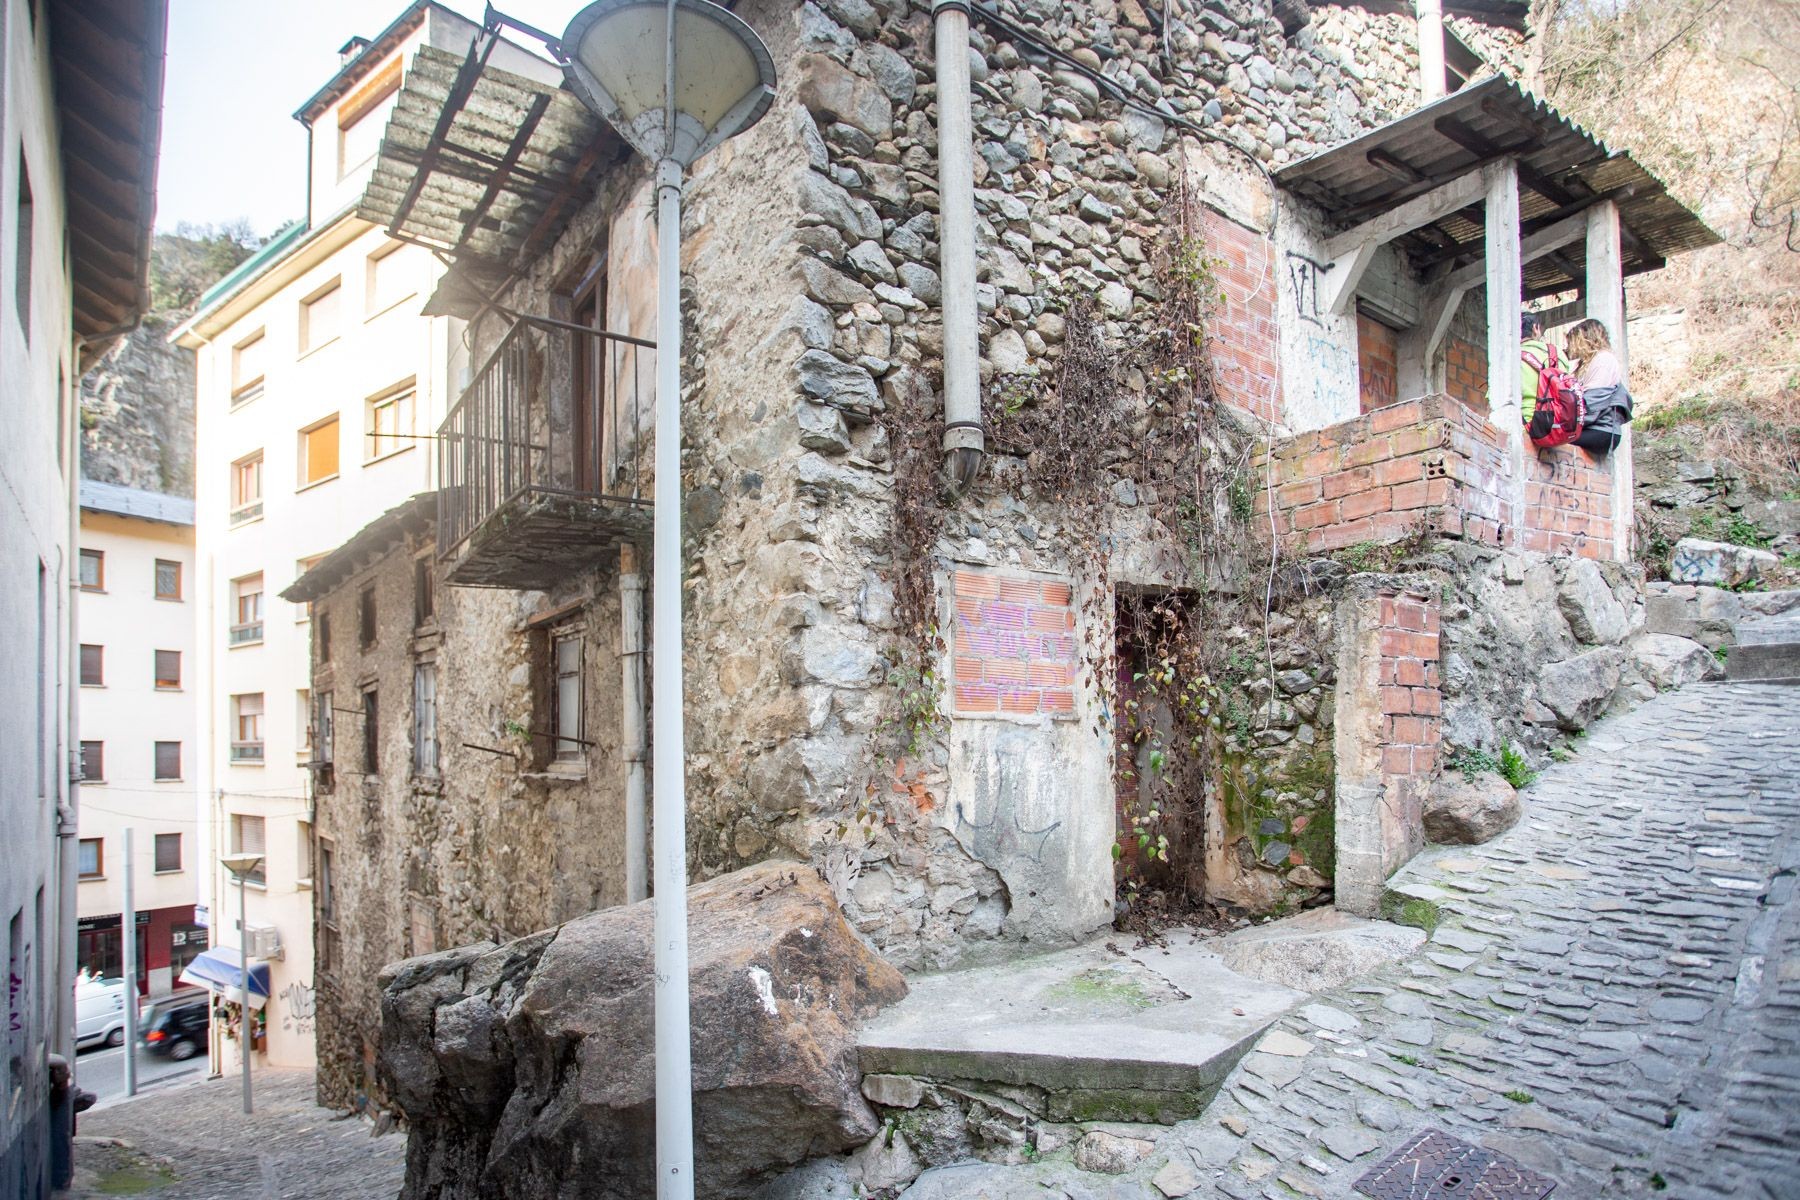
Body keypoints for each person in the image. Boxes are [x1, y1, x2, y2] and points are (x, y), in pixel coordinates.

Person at [1565, 318, 1632, 455]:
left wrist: (1564, 424)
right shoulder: (1586, 364)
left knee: (1553, 442)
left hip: (1601, 430)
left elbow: (1593, 404)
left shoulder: (1603, 360)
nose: (1568, 347)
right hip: (1592, 427)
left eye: (1571, 342)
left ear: (1583, 339)